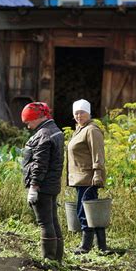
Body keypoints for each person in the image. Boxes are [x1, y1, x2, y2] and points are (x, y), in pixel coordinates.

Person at [21, 102, 65, 262]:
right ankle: (57, 258)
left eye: (28, 122)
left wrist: (34, 187)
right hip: (52, 184)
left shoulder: (43, 135)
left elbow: (40, 164)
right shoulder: (55, 131)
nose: (28, 127)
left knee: (45, 223)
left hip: (43, 186)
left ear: (37, 117)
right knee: (52, 221)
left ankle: (49, 259)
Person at [67, 99, 106, 254]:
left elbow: (98, 154)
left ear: (88, 113)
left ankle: (86, 246)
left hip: (88, 177)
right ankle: (101, 246)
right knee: (89, 210)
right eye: (76, 113)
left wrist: (98, 173)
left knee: (85, 210)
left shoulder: (92, 130)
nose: (78, 115)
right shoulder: (79, 129)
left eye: (82, 112)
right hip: (79, 178)